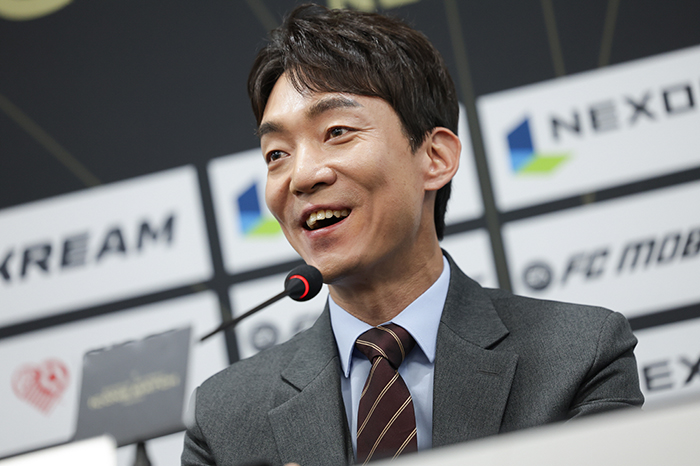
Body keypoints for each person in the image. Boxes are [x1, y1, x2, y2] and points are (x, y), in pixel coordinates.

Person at [182, 4, 643, 465]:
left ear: (435, 158)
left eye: (337, 131)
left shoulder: (580, 354)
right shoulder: (224, 420)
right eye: (276, 154)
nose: (301, 176)